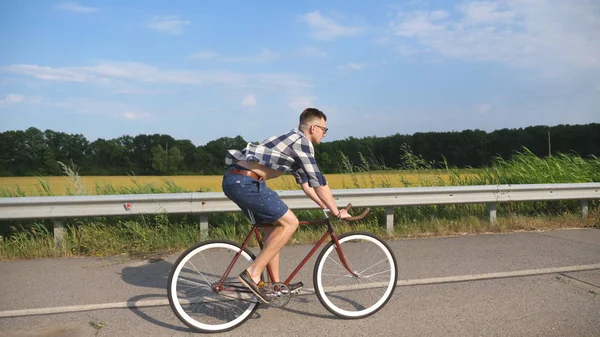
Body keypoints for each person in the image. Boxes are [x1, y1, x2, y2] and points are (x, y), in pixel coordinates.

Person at [222, 107, 350, 303]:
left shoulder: (291, 141)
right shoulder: (302, 142)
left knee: (274, 233)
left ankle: (275, 286)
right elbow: (319, 182)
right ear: (313, 128)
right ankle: (253, 273)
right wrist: (336, 212)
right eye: (324, 130)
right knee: (291, 223)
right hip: (246, 182)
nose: (324, 134)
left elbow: (307, 185)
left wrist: (323, 206)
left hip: (236, 180)